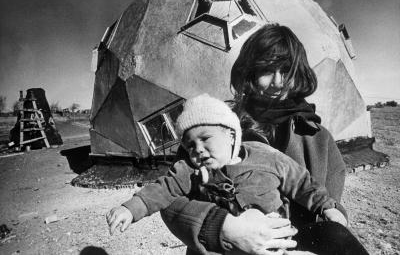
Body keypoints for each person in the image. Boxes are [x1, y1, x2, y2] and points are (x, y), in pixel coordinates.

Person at [160, 24, 369, 255]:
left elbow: (328, 206)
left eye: (286, 71)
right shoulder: (213, 129)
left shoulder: (318, 138)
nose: (278, 82)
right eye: (267, 70)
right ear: (248, 72)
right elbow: (170, 199)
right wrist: (225, 229)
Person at [106, 94, 347, 254]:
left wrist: (326, 206)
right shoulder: (190, 170)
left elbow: (302, 182)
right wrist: (131, 208)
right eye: (190, 145)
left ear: (231, 135)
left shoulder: (267, 158)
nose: (197, 150)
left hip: (277, 245)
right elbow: (162, 189)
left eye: (205, 139)